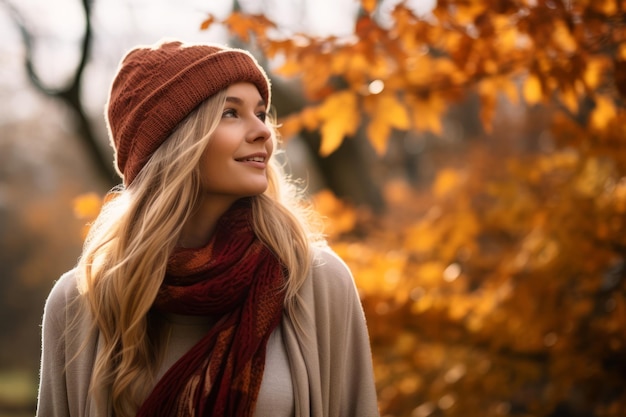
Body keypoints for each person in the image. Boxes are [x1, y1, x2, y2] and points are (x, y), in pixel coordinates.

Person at [36, 39, 379, 417]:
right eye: (231, 113)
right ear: (174, 143)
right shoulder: (80, 302)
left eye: (260, 114)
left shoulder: (314, 281)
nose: (263, 132)